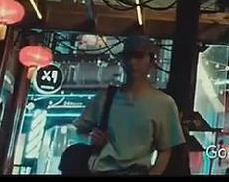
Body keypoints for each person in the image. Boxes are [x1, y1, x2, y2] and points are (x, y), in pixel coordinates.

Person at [72, 36, 186, 175]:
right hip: (102, 170)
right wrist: (91, 137)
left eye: (139, 56)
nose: (132, 62)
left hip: (137, 171)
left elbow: (166, 151)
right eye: (128, 56)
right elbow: (80, 130)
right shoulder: (104, 98)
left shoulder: (164, 104)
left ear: (151, 61)